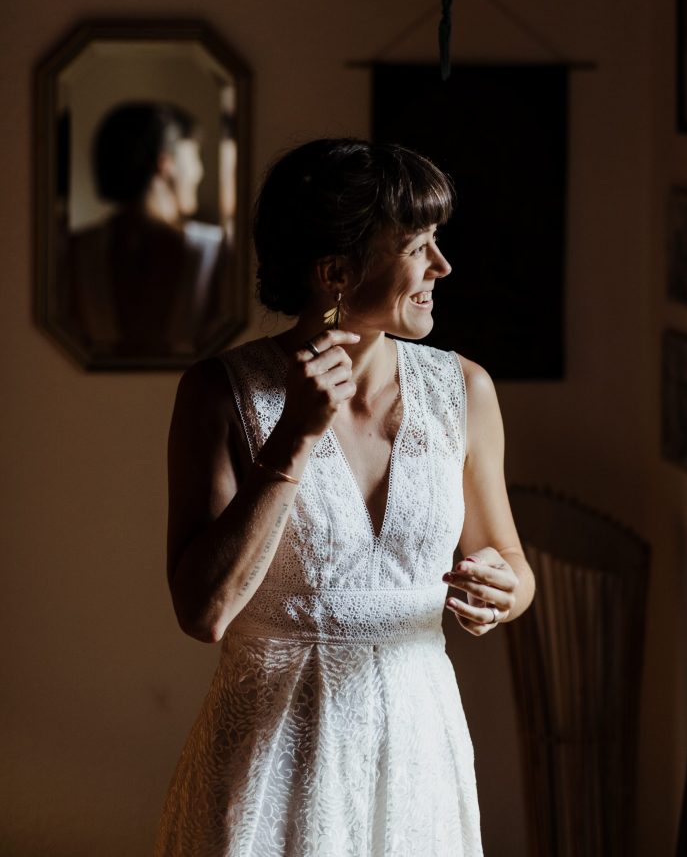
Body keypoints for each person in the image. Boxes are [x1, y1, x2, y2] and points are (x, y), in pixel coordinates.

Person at [154, 138, 535, 856]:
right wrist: (294, 439)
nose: (441, 266)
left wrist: (505, 590)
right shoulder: (220, 393)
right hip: (269, 772)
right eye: (418, 245)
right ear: (335, 272)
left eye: (437, 242)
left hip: (417, 757)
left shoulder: (466, 391)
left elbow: (510, 560)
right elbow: (203, 611)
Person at [67, 102, 225, 356]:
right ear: (165, 164)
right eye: (195, 157)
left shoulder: (74, 251)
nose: (199, 171)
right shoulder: (215, 253)